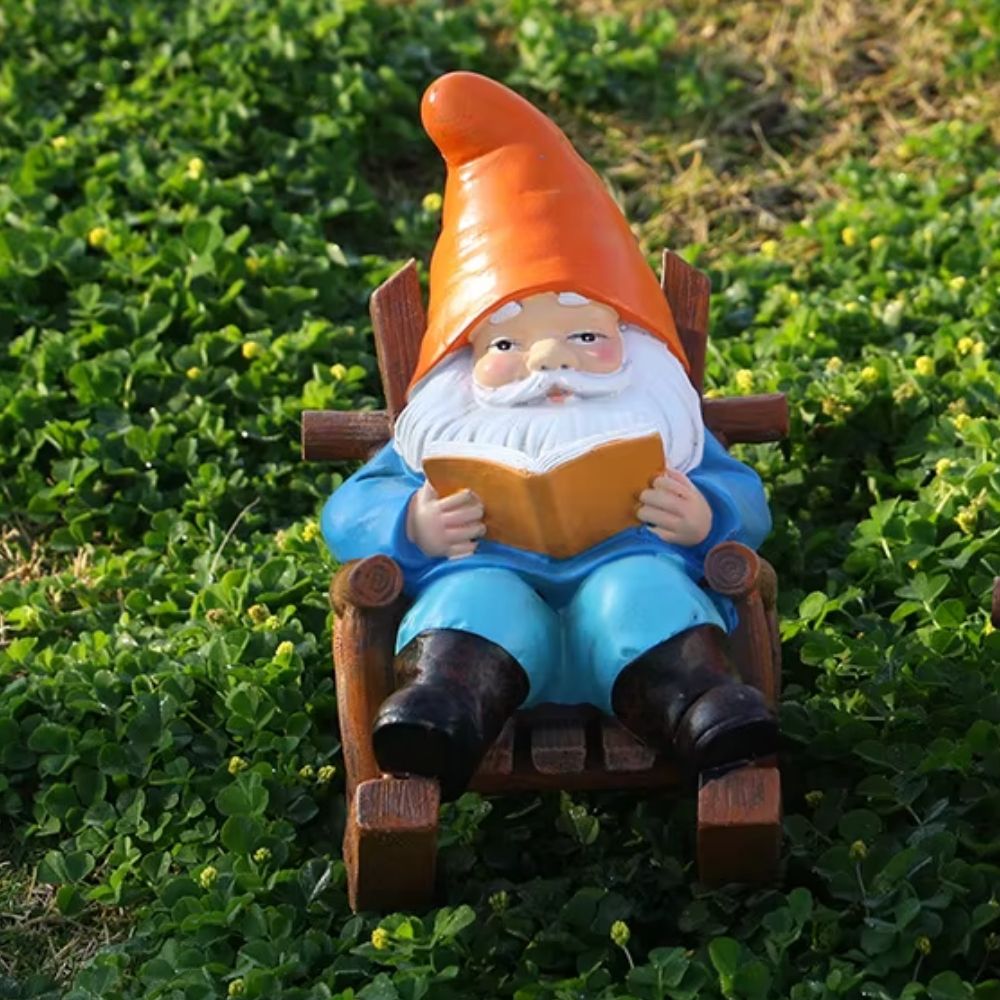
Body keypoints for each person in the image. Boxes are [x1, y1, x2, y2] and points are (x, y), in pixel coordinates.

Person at [321, 72, 778, 800]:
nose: (548, 360)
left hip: (629, 581)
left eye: (586, 335)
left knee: (638, 596)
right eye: (506, 344)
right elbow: (349, 510)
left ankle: (703, 710)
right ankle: (441, 714)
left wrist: (708, 517)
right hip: (485, 582)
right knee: (479, 602)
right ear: (464, 362)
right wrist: (410, 523)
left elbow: (743, 497)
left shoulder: (664, 424)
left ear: (634, 345)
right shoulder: (440, 428)